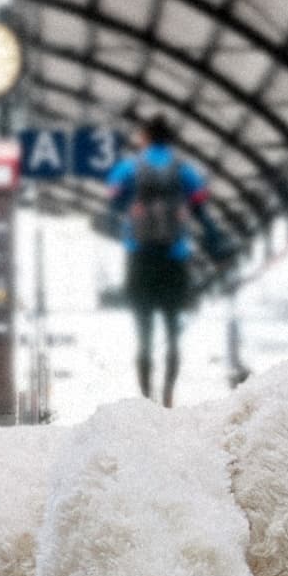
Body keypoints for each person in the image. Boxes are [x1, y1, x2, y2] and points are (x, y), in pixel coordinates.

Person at [105, 116, 216, 406]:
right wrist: (213, 238)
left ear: (145, 138)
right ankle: (168, 393)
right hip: (174, 258)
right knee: (172, 332)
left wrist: (130, 213)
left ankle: (145, 398)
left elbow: (113, 203)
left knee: (143, 334)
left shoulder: (129, 167)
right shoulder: (184, 170)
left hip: (139, 257)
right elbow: (202, 208)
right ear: (170, 140)